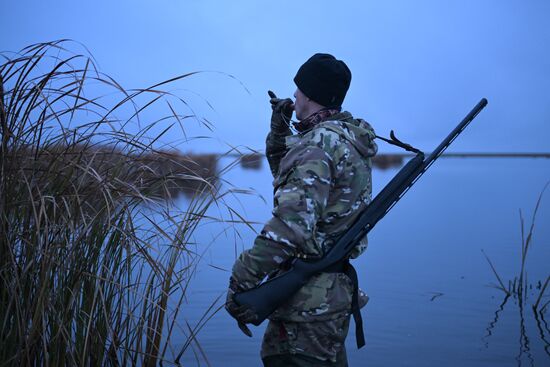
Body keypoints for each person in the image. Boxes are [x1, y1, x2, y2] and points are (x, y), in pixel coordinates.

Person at [225, 53, 377, 366]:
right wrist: (280, 130)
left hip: (304, 315)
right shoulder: (347, 141)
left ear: (310, 93)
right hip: (330, 300)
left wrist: (241, 281)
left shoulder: (317, 146)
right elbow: (294, 183)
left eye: (298, 88)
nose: (294, 95)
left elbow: (290, 228)